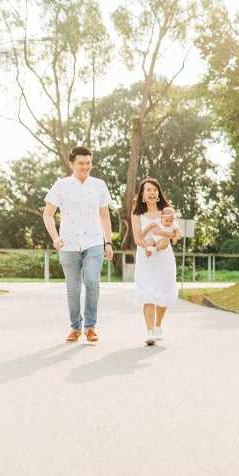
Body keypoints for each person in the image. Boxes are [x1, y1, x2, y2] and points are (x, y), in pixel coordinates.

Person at [42, 146, 114, 344]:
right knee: (73, 288)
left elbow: (105, 216)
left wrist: (108, 242)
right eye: (81, 163)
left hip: (93, 242)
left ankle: (90, 327)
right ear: (72, 164)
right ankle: (75, 327)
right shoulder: (61, 185)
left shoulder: (99, 185)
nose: (85, 166)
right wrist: (55, 237)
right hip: (68, 243)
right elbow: (48, 215)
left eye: (88, 162)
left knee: (92, 281)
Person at [130, 179, 180, 346]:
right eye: (148, 190)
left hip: (164, 258)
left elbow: (175, 235)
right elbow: (138, 238)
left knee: (164, 292)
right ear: (142, 195)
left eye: (154, 190)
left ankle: (158, 325)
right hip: (145, 257)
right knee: (147, 292)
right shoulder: (136, 214)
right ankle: (150, 331)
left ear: (158, 193)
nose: (152, 193)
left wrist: (165, 236)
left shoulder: (167, 212)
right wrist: (148, 247)